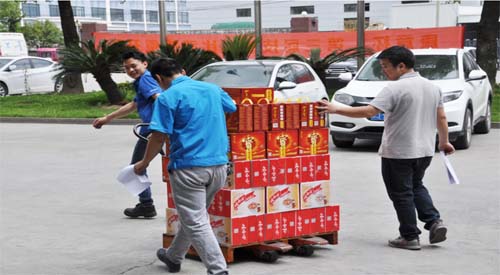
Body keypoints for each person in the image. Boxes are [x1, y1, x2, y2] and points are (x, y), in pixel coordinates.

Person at [317, 46, 455, 250]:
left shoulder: (394, 88)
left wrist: (336, 108)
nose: (384, 71)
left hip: (398, 152)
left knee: (401, 193)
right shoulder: (432, 87)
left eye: (385, 67)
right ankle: (434, 221)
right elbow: (441, 117)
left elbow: (370, 112)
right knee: (416, 186)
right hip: (425, 150)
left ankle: (409, 236)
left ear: (401, 66)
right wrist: (444, 142)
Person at [134, 58, 236, 274]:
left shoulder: (167, 97)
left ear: (159, 79)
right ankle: (173, 256)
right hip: (219, 165)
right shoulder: (212, 89)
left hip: (189, 168)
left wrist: (143, 163)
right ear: (184, 70)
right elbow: (232, 106)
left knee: (196, 220)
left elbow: (159, 136)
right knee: (195, 216)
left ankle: (218, 270)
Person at [93, 50, 161, 218]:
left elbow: (160, 99)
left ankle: (147, 205)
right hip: (154, 129)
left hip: (153, 130)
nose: (131, 70)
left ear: (144, 63)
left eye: (133, 66)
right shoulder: (142, 81)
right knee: (173, 166)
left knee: (137, 167)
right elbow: (134, 105)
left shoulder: (145, 79)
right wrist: (107, 118)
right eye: (126, 68)